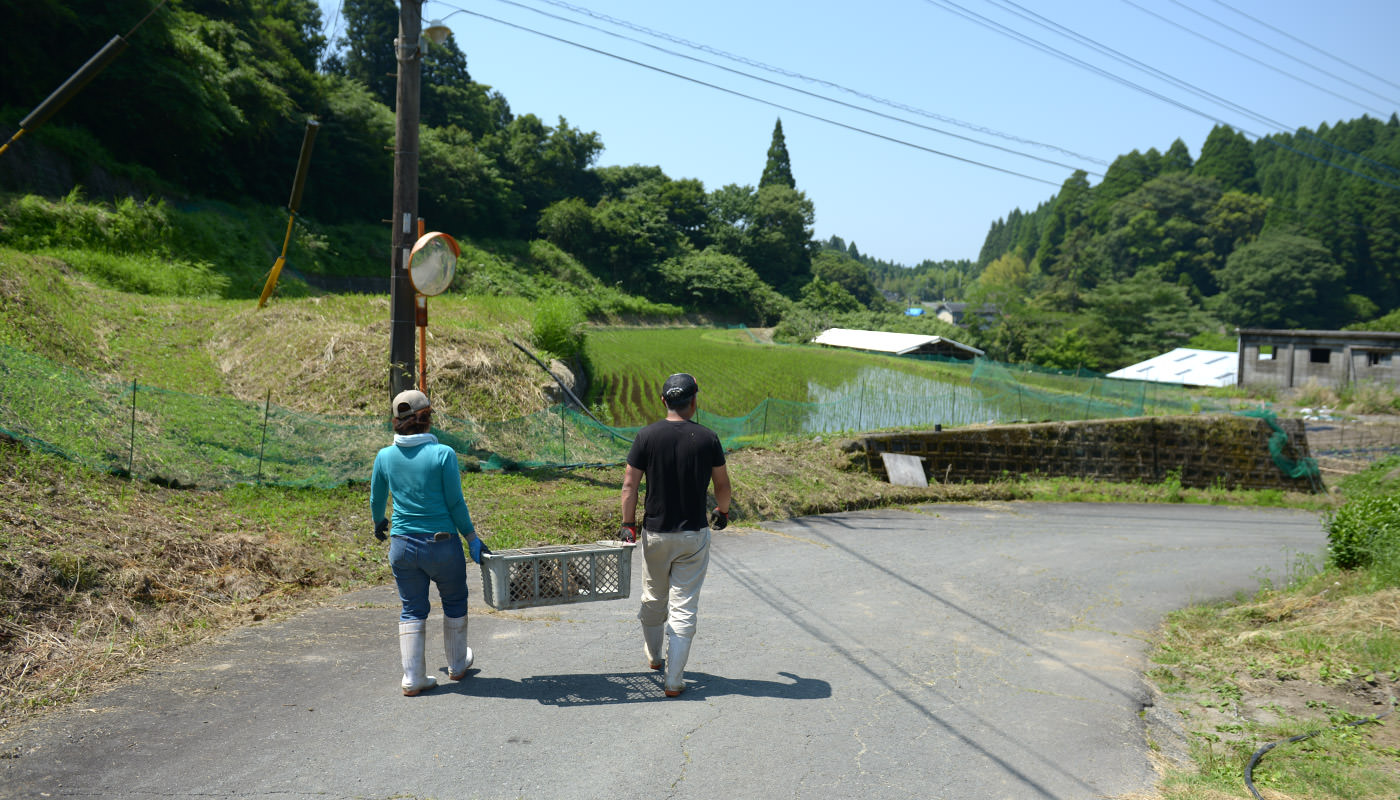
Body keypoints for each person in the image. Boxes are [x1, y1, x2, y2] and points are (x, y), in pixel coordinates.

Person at [370, 389, 490, 696]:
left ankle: (413, 678)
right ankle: (457, 665)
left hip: (402, 546)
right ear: (426, 418)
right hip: (442, 545)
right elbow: (455, 503)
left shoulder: (384, 457)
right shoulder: (443, 454)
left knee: (412, 608)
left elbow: (377, 499)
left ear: (396, 421)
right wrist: (472, 538)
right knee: (454, 600)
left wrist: (379, 522)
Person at [619, 373, 732, 697]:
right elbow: (722, 485)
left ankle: (655, 657)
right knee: (684, 606)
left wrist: (628, 523)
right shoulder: (708, 438)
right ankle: (673, 680)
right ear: (694, 402)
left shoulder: (646, 436)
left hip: (655, 532)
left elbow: (630, 485)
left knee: (654, 596)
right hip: (692, 535)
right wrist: (722, 513)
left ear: (664, 401)